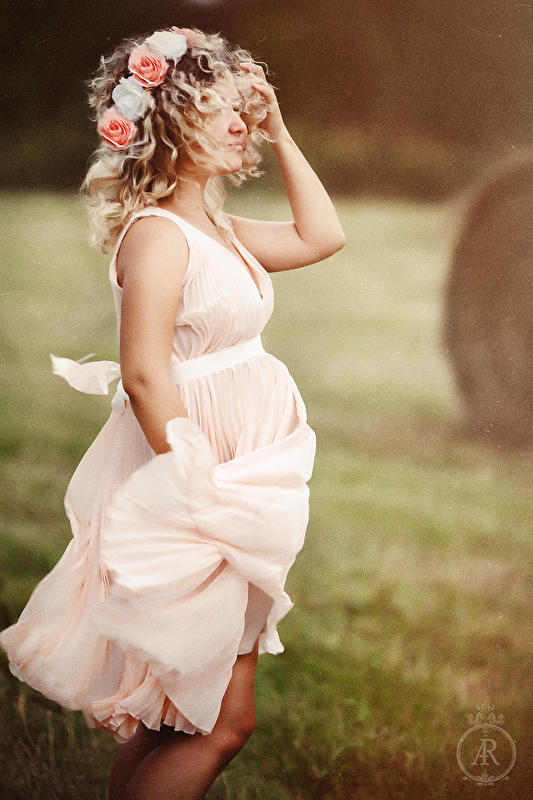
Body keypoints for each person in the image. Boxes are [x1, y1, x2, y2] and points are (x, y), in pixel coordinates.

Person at [0, 26, 344, 800]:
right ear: (170, 125)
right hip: (195, 478)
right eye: (217, 109)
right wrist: (197, 491)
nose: (238, 122)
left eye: (240, 109)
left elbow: (322, 235)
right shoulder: (158, 237)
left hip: (237, 475)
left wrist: (281, 131)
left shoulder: (216, 229)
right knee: (222, 722)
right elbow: (145, 375)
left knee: (175, 718)